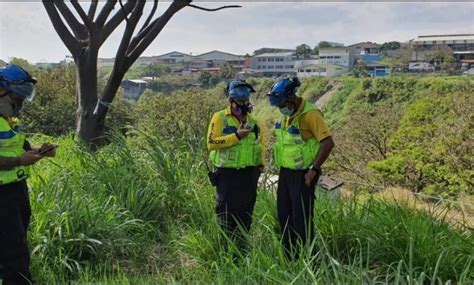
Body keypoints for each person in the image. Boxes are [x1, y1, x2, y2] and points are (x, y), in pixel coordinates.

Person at [267, 77, 335, 259]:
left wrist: (313, 169)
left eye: (282, 104)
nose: (281, 108)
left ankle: (310, 259)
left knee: (301, 220)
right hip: (286, 173)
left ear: (292, 98)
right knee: (284, 217)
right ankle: (290, 258)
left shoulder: (311, 114)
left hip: (304, 175)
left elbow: (328, 143)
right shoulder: (287, 115)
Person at [0, 64, 56, 284]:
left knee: (15, 246)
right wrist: (18, 161)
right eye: (18, 95)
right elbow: (16, 157)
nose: (20, 102)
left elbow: (19, 147)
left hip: (16, 191)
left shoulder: (10, 120)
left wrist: (39, 151)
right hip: (2, 196)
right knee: (16, 256)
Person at [207, 80, 264, 248]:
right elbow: (211, 143)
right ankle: (225, 249)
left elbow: (260, 145)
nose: (243, 104)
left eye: (246, 101)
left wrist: (260, 166)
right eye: (239, 102)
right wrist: (236, 136)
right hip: (227, 175)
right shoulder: (220, 118)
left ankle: (243, 248)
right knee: (226, 215)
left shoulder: (254, 122)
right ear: (231, 101)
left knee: (246, 213)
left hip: (248, 175)